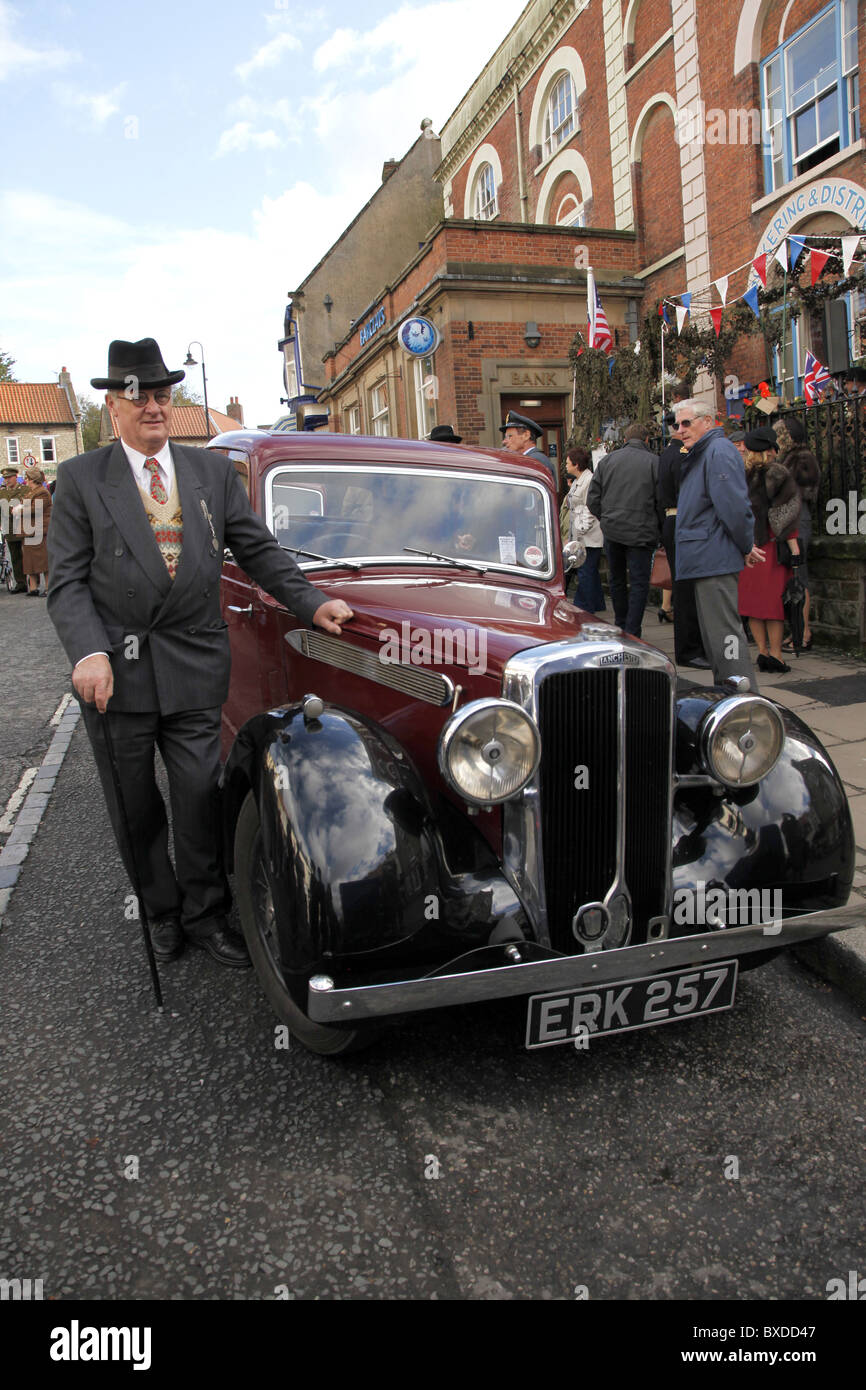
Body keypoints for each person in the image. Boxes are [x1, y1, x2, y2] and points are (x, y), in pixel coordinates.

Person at [47, 338, 352, 969]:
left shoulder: (210, 473)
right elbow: (67, 581)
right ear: (113, 407)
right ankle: (160, 911)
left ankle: (206, 910)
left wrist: (309, 600)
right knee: (135, 805)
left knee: (198, 796)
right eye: (139, 397)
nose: (153, 407)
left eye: (161, 395)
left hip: (193, 661)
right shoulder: (80, 480)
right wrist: (87, 654)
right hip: (119, 671)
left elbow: (257, 548)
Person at [672, 399, 763, 687]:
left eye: (687, 422)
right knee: (717, 641)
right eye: (678, 424)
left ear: (708, 421)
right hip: (706, 555)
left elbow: (733, 506)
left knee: (726, 639)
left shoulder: (718, 450)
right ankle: (731, 697)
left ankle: (744, 703)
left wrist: (746, 545)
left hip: (713, 556)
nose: (681, 429)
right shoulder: (704, 451)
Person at [737, 427, 801, 673]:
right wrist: (794, 549)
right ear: (770, 449)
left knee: (753, 604)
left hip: (747, 547)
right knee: (774, 605)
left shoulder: (739, 475)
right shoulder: (779, 474)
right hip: (772, 547)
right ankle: (776, 655)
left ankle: (762, 652)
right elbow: (784, 516)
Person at [587, 422, 659, 637]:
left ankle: (620, 624)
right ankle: (633, 629)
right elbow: (661, 499)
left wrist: (606, 518)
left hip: (613, 530)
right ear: (646, 440)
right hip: (642, 530)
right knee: (638, 583)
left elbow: (593, 499)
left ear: (625, 439)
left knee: (616, 579)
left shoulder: (608, 461)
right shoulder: (655, 462)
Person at [656, 415, 708, 667]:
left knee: (683, 586)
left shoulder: (666, 454)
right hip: (683, 520)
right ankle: (690, 649)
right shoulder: (683, 456)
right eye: (683, 425)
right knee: (687, 589)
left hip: (670, 521)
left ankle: (690, 647)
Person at [775, 416, 819, 651]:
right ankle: (797, 630)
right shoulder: (788, 458)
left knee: (799, 578)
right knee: (791, 579)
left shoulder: (802, 458)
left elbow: (804, 491)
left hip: (798, 520)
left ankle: (804, 633)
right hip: (788, 520)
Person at [562, 446, 604, 612]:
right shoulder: (579, 480)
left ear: (576, 464)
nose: (565, 465)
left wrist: (579, 531)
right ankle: (597, 603)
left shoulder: (589, 480)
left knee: (585, 571)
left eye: (567, 462)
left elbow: (590, 508)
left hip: (588, 536)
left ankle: (584, 607)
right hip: (580, 534)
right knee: (589, 571)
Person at [500, 410, 557, 486]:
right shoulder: (529, 458)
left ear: (526, 435)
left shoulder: (536, 461)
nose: (504, 441)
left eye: (509, 436)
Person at [20, 464, 52, 595]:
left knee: (44, 561)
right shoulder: (30, 493)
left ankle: (49, 587)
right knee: (29, 562)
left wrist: (20, 510)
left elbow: (36, 509)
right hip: (29, 531)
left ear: (33, 479)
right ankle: (33, 588)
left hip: (40, 530)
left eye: (27, 478)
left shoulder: (42, 492)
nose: (25, 480)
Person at [0, 465, 28, 592]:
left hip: (23, 526)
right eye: (5, 478)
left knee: (28, 555)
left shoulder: (25, 489)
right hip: (9, 528)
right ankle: (20, 583)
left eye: (9, 478)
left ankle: (32, 581)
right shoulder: (2, 492)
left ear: (15, 477)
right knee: (15, 557)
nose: (7, 480)